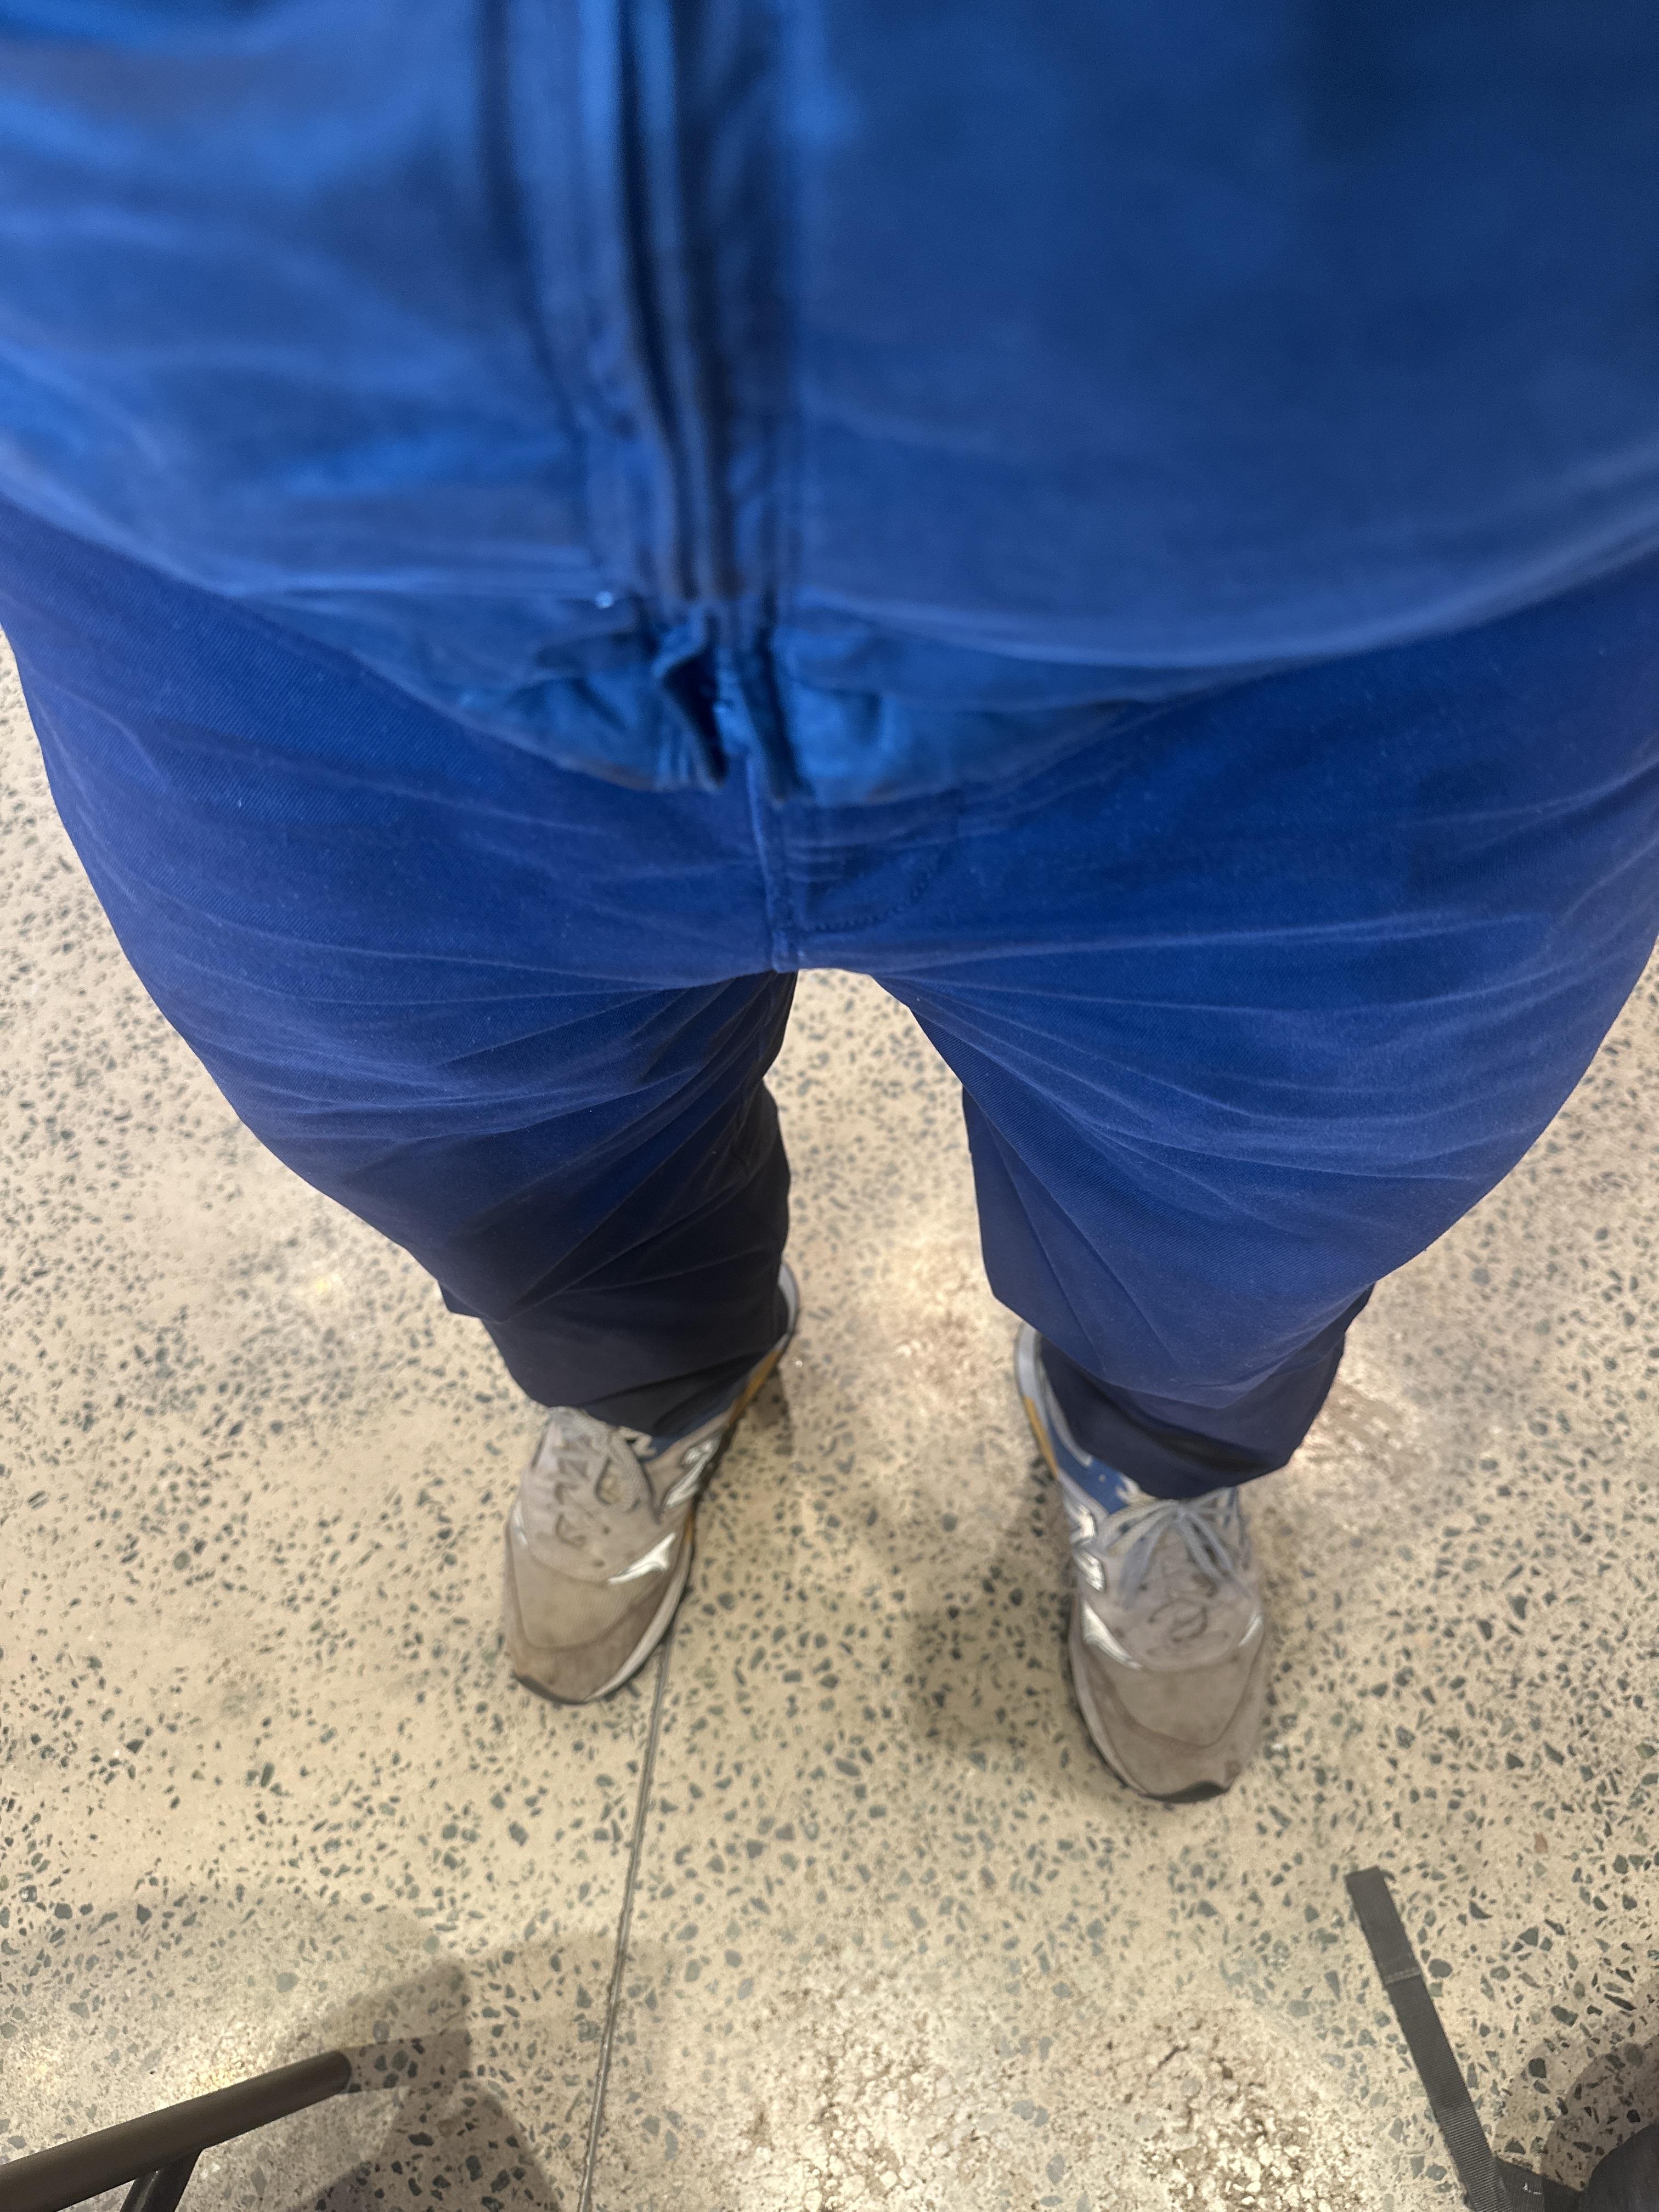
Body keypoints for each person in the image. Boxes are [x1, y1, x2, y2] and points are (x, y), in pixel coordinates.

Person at [4, 2, 1659, 1803]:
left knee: (1252, 1224)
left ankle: (1150, 1457)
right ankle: (649, 1380)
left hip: (1398, 587)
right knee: (477, 1158)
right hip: (248, 536)